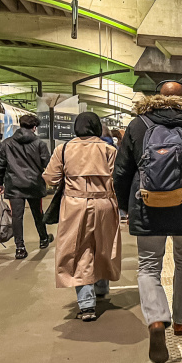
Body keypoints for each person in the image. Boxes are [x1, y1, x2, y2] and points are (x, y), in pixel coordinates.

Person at [114, 82, 182, 363]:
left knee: (149, 266)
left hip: (146, 206)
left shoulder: (137, 126)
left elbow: (121, 172)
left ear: (158, 97)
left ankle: (156, 319)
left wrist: (126, 208)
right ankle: (181, 322)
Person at [43, 113, 122, 321]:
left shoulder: (64, 149)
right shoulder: (109, 150)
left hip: (74, 205)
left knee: (79, 251)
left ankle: (87, 305)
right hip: (105, 203)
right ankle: (101, 287)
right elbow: (118, 179)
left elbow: (51, 179)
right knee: (103, 246)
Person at [0, 114, 52, 259]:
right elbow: (48, 164)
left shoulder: (7, 143)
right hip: (34, 184)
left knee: (17, 217)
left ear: (20, 125)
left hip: (14, 185)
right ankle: (44, 239)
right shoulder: (40, 144)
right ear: (34, 128)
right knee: (38, 213)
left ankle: (20, 248)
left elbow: (1, 166)